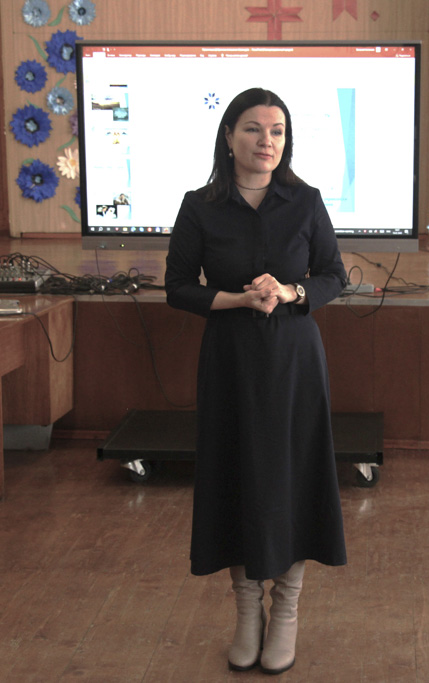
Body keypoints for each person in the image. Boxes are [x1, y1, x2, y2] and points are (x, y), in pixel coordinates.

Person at [164, 87, 348, 675]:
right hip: (230, 359)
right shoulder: (199, 205)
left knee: (292, 479)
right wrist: (238, 298)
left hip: (294, 361)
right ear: (228, 136)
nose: (266, 141)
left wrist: (290, 291)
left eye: (277, 131)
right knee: (236, 476)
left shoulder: (305, 201)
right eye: (252, 128)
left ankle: (286, 609)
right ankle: (248, 612)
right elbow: (177, 287)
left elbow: (333, 275)